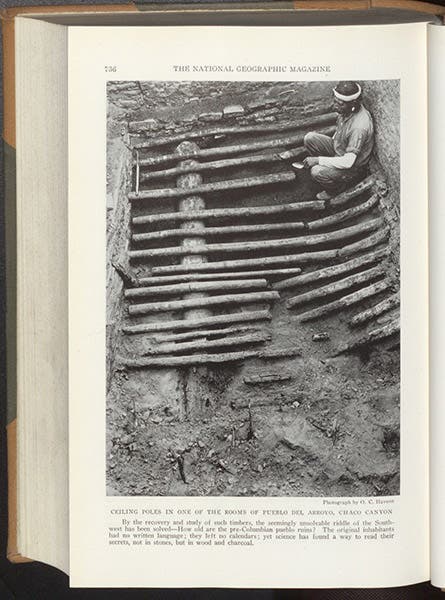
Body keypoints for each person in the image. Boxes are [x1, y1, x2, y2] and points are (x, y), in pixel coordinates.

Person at [297, 81, 374, 201]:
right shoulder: (348, 110)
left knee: (316, 171)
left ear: (353, 102)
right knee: (310, 138)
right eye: (335, 101)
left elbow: (348, 162)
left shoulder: (359, 127)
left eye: (340, 104)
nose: (336, 106)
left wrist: (318, 160)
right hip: (339, 149)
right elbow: (339, 131)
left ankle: (336, 188)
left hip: (352, 168)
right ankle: (329, 172)